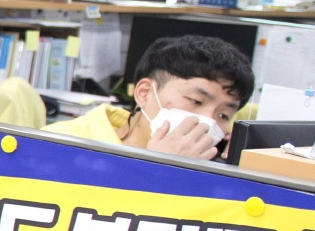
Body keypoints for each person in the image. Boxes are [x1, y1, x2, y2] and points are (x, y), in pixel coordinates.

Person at [53, 35, 251, 159]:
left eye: (223, 115)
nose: (208, 122)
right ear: (145, 93)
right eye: (196, 101)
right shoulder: (60, 143)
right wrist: (160, 167)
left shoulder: (209, 171)